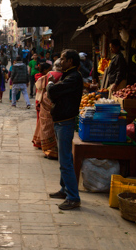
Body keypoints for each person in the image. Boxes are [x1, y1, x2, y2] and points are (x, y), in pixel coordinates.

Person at [47, 49, 83, 210]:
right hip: (60, 121)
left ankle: (73, 197)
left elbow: (53, 92)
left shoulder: (73, 77)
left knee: (65, 161)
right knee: (64, 159)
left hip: (65, 122)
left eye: (62, 59)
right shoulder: (68, 75)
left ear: (70, 61)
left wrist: (49, 83)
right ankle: (64, 190)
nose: (59, 61)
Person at [32, 60, 62, 159]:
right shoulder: (63, 76)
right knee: (53, 127)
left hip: (45, 101)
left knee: (45, 126)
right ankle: (54, 151)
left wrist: (39, 101)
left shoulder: (49, 74)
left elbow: (40, 87)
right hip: (55, 102)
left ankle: (48, 151)